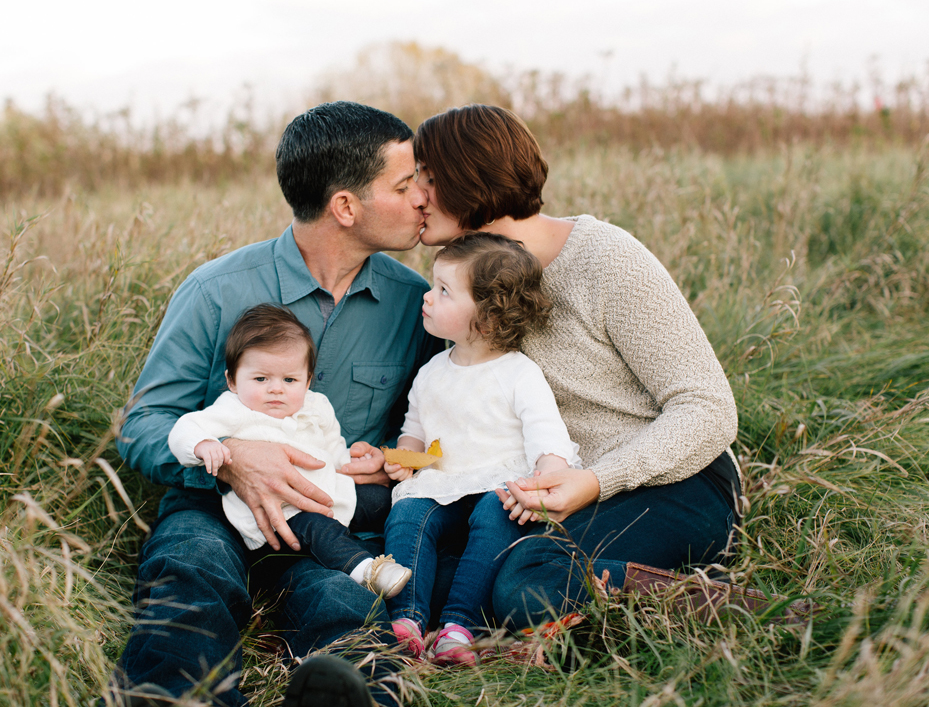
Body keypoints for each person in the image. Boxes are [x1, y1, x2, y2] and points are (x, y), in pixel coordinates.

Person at [114, 101, 443, 707]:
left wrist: (392, 457)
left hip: (329, 519)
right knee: (190, 568)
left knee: (345, 603)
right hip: (212, 505)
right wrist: (234, 457)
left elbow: (421, 427)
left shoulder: (416, 302)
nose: (425, 196)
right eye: (405, 184)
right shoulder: (216, 291)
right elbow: (141, 426)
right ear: (346, 206)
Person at [411, 104, 741, 631]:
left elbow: (708, 410)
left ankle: (733, 612)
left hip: (674, 481)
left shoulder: (603, 259)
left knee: (526, 579)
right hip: (554, 496)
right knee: (439, 579)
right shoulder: (453, 286)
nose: (416, 195)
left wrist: (595, 480)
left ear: (471, 178)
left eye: (428, 178)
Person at [381, 232, 580, 664]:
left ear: (487, 320)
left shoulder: (518, 373)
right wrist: (404, 459)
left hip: (498, 480)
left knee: (496, 511)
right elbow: (414, 431)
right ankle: (407, 620)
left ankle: (459, 625)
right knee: (409, 512)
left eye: (444, 291)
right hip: (445, 481)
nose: (428, 297)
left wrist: (543, 483)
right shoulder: (432, 370)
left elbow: (546, 437)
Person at [167, 303, 411, 597]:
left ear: (307, 381)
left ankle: (415, 548)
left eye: (290, 380)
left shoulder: (317, 406)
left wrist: (355, 460)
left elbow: (334, 451)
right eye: (261, 379)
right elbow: (183, 428)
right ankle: (366, 571)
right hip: (277, 512)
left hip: (329, 491)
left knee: (383, 500)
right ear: (232, 380)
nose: (276, 389)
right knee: (317, 529)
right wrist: (205, 445)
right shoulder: (234, 408)